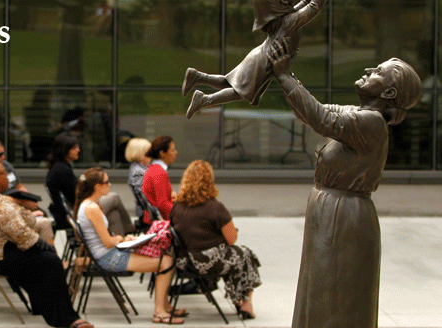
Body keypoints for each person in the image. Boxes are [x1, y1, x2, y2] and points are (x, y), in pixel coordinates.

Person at [268, 37, 422, 327]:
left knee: (335, 299)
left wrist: (284, 75)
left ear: (389, 91)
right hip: (332, 212)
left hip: (345, 218)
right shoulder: (360, 115)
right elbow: (312, 110)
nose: (367, 69)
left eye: (377, 72)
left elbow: (320, 117)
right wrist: (281, 74)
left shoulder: (371, 123)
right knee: (321, 294)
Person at [0, 159, 93, 328]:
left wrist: (26, 212)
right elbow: (20, 233)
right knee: (50, 261)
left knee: (44, 260)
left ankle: (53, 311)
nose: (8, 177)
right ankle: (67, 319)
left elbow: (25, 222)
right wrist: (40, 242)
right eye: (4, 173)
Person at [75, 167, 185, 325]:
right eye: (106, 182)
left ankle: (165, 306)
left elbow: (103, 239)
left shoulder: (88, 205)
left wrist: (124, 240)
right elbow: (107, 242)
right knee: (166, 262)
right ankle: (160, 312)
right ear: (97, 186)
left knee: (165, 258)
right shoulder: (92, 208)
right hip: (108, 258)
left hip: (108, 254)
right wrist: (120, 238)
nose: (110, 184)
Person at [181, 0, 326, 118]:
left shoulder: (287, 18)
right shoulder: (289, 21)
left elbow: (306, 3)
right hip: (265, 61)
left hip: (259, 55)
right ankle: (204, 99)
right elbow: (314, 6)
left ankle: (198, 76)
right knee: (238, 92)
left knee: (230, 82)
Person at [170, 160, 262, 320]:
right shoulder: (214, 207)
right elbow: (232, 239)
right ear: (209, 181)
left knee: (232, 256)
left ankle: (238, 299)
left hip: (185, 262)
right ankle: (244, 302)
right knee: (245, 254)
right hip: (208, 262)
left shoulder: (177, 207)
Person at [46, 133, 133, 235]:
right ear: (65, 150)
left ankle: (120, 244)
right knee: (114, 198)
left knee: (114, 215)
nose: (78, 150)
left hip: (78, 208)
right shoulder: (62, 170)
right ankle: (131, 231)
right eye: (74, 148)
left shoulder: (60, 167)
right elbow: (76, 196)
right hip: (80, 211)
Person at [0, 137, 55, 244]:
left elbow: (19, 186)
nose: (3, 157)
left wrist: (30, 198)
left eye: (3, 153)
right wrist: (23, 203)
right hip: (6, 213)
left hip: (18, 204)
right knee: (44, 224)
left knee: (42, 213)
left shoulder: (6, 165)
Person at [142, 135, 178, 223]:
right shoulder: (159, 172)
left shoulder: (153, 169)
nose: (176, 152)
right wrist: (181, 214)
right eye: (173, 150)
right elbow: (163, 204)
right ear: (162, 153)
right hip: (161, 222)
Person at [125, 138, 152, 222]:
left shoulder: (142, 168)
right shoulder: (138, 172)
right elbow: (145, 197)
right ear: (140, 154)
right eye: (149, 152)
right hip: (148, 215)